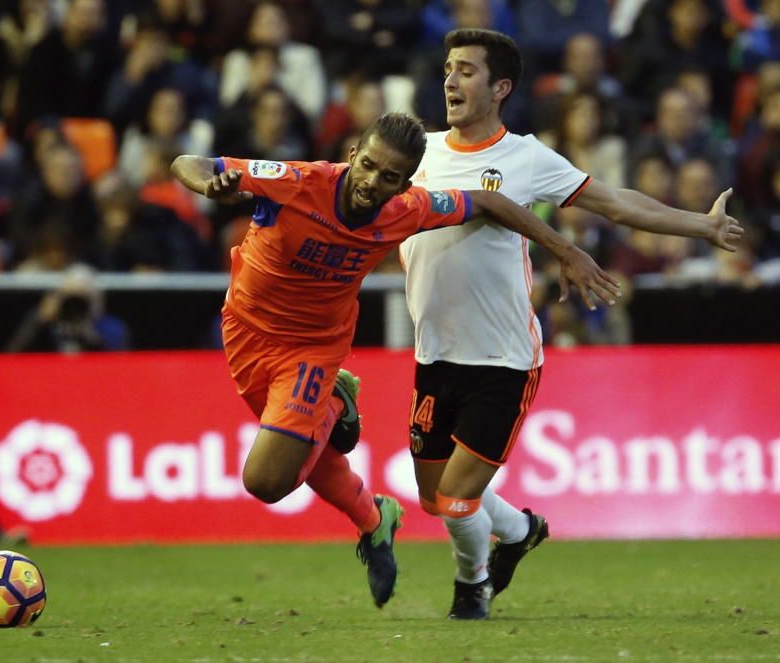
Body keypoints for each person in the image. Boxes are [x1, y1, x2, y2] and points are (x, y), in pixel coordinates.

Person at [171, 111, 620, 608]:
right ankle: (373, 519)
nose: (371, 182)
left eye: (390, 177)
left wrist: (563, 249)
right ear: (351, 157)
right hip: (245, 331)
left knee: (267, 481)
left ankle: (334, 404)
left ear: (406, 182)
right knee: (299, 455)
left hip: (312, 350)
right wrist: (212, 185)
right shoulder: (297, 182)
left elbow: (490, 201)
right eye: (367, 166)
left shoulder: (407, 209)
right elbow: (188, 161)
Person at [399, 29, 743, 620]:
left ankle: (471, 584)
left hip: (502, 359)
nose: (451, 81)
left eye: (467, 72)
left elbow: (614, 203)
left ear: (501, 87)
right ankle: (521, 530)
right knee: (434, 498)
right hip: (433, 352)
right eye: (449, 69)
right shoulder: (419, 153)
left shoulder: (525, 158)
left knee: (456, 500)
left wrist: (701, 227)